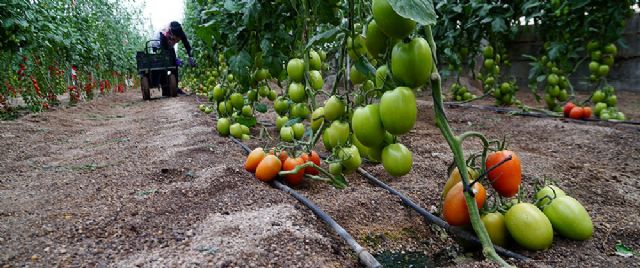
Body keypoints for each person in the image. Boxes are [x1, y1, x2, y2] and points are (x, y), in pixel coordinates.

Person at [151, 21, 195, 94]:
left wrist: (191, 57)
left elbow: (187, 44)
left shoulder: (180, 32)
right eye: (176, 37)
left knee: (174, 65)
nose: (178, 39)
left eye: (178, 38)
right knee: (163, 65)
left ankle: (175, 87)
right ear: (171, 33)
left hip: (169, 45)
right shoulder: (164, 33)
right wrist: (174, 59)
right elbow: (163, 50)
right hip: (157, 45)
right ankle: (165, 90)